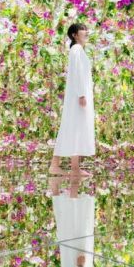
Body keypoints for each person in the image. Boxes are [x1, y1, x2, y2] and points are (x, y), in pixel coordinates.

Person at [49, 23, 95, 176]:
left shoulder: (79, 50)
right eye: (82, 29)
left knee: (76, 128)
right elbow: (78, 73)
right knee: (72, 127)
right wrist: (82, 94)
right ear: (75, 35)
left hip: (79, 95)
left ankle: (75, 167)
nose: (86, 32)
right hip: (78, 96)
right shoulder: (76, 50)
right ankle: (55, 164)